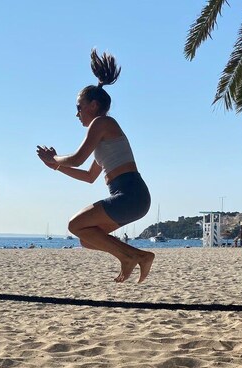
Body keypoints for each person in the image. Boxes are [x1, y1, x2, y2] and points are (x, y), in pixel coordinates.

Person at [36, 49, 154, 283]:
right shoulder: (104, 134)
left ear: (93, 105)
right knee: (86, 239)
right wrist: (57, 167)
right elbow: (90, 176)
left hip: (130, 194)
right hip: (133, 197)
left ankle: (131, 257)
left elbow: (77, 158)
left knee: (74, 224)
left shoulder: (102, 123)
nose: (76, 113)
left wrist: (55, 159)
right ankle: (134, 256)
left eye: (79, 106)